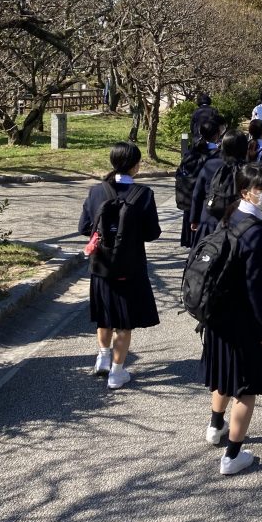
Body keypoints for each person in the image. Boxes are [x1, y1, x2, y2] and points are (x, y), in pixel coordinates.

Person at [202, 164, 262, 476]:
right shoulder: (256, 233)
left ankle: (214, 426)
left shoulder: (230, 215)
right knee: (245, 388)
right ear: (247, 192)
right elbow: (259, 290)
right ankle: (232, 456)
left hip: (218, 316)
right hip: (244, 322)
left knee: (223, 374)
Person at [78, 142, 161, 389]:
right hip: (131, 267)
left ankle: (102, 359)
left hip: (101, 266)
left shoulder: (96, 191)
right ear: (135, 165)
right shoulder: (143, 194)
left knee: (104, 317)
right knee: (124, 322)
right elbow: (152, 233)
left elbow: (84, 227)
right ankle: (117, 372)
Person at [189, 129, 249, 247]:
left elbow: (198, 193)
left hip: (210, 219)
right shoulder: (248, 170)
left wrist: (194, 219)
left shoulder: (210, 164)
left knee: (206, 259)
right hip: (239, 223)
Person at [177, 119, 220, 247]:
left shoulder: (191, 153)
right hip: (208, 206)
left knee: (193, 245)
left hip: (189, 202)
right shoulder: (219, 156)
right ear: (218, 134)